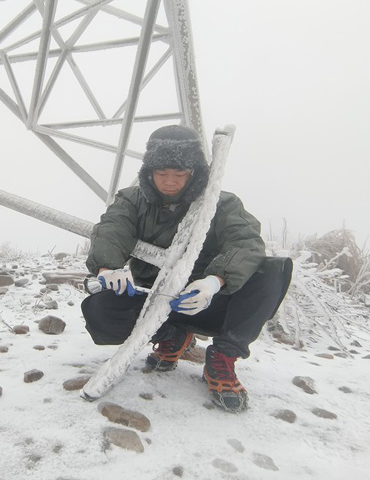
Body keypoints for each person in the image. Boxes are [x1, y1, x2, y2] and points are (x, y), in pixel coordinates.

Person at [82, 124, 292, 412]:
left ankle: (223, 358)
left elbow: (245, 243)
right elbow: (112, 229)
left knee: (273, 271)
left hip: (208, 302)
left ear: (194, 172)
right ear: (148, 172)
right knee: (99, 308)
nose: (170, 182)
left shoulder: (222, 204)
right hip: (153, 297)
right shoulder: (131, 200)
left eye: (180, 174)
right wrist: (107, 268)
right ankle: (172, 336)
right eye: (161, 174)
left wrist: (215, 281)